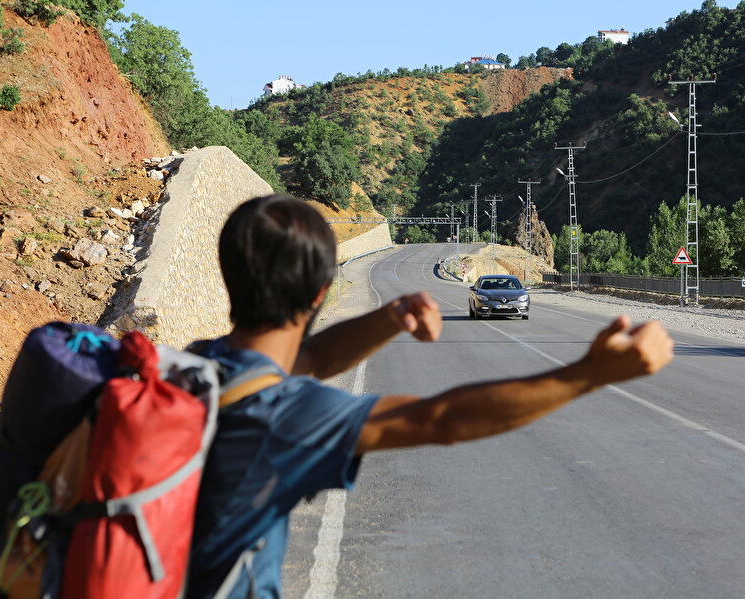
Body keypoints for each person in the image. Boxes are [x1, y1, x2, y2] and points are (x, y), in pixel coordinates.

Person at [187, 194, 673, 599]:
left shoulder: (194, 368)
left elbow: (306, 356)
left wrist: (390, 316)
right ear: (320, 293)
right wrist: (589, 374)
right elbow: (442, 418)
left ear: (229, 275)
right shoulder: (289, 415)